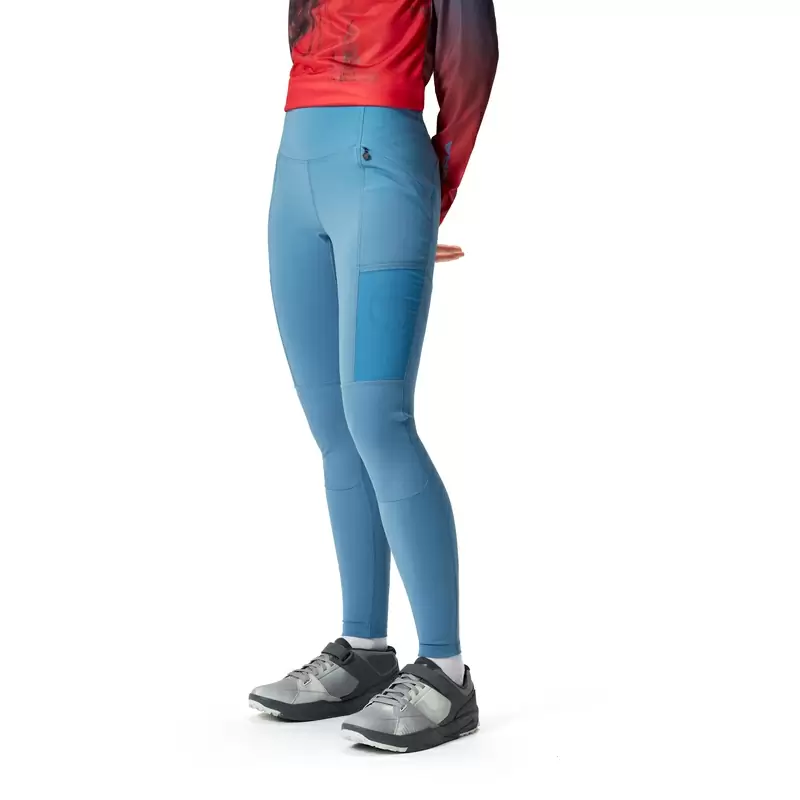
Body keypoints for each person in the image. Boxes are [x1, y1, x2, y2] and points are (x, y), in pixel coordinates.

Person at [249, 0, 498, 753]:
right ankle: (363, 649)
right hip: (297, 163)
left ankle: (446, 671)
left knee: (378, 421)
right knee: (334, 430)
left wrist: (427, 192)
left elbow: (472, 60)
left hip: (380, 158)